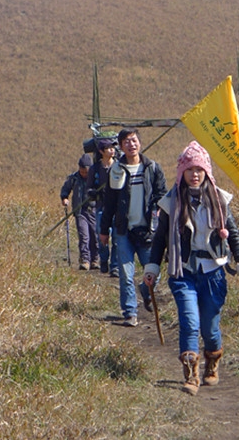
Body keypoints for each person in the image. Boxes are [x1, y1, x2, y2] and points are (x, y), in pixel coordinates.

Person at [143, 141, 239, 396]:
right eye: (190, 169)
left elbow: (233, 234)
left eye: (199, 169)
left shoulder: (220, 200)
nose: (194, 174)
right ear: (182, 173)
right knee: (189, 322)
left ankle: (212, 361)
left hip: (213, 272)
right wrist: (152, 268)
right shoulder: (170, 203)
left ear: (206, 172)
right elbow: (160, 240)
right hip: (183, 272)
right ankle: (191, 374)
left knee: (209, 327)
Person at [100, 128, 167, 327]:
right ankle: (130, 312)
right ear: (120, 146)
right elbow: (109, 202)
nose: (131, 144)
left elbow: (162, 195)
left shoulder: (152, 168)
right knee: (125, 273)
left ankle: (145, 291)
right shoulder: (117, 170)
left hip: (147, 230)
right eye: (126, 141)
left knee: (154, 273)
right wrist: (104, 231)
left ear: (140, 143)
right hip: (123, 230)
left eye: (134, 140)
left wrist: (159, 215)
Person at [61, 153, 100, 270]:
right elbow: (65, 189)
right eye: (82, 171)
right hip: (80, 211)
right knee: (84, 236)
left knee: (95, 235)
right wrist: (64, 198)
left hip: (93, 210)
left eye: (86, 172)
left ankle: (95, 259)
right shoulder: (74, 178)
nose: (84, 174)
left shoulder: (96, 178)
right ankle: (85, 259)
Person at [88, 138, 119, 277]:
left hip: (117, 208)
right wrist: (92, 193)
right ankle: (104, 259)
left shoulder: (118, 167)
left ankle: (115, 266)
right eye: (108, 148)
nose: (112, 150)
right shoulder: (95, 169)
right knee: (102, 237)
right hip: (101, 207)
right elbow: (89, 188)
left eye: (113, 147)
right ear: (101, 151)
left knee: (118, 239)